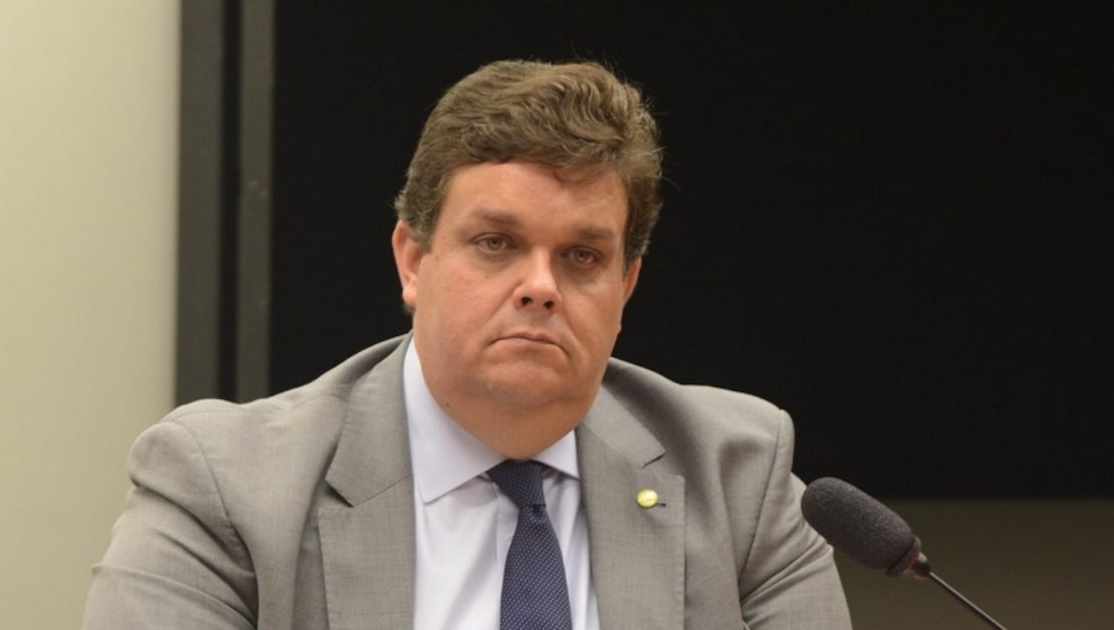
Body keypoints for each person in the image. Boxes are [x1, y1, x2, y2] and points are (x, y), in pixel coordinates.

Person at [82, 59, 851, 629]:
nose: (540, 286)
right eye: (496, 243)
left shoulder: (736, 478)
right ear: (413, 261)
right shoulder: (225, 489)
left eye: (582, 257)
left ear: (625, 287)